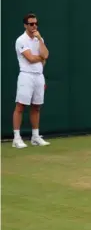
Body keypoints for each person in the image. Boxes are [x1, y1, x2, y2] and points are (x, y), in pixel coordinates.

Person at [12, 13, 50, 148]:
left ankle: (35, 137)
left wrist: (40, 40)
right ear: (25, 25)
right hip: (26, 76)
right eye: (31, 24)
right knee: (20, 106)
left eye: (35, 23)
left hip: (39, 76)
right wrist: (41, 58)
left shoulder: (39, 39)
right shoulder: (21, 40)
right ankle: (16, 138)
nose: (34, 26)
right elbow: (31, 58)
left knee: (36, 106)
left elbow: (46, 54)